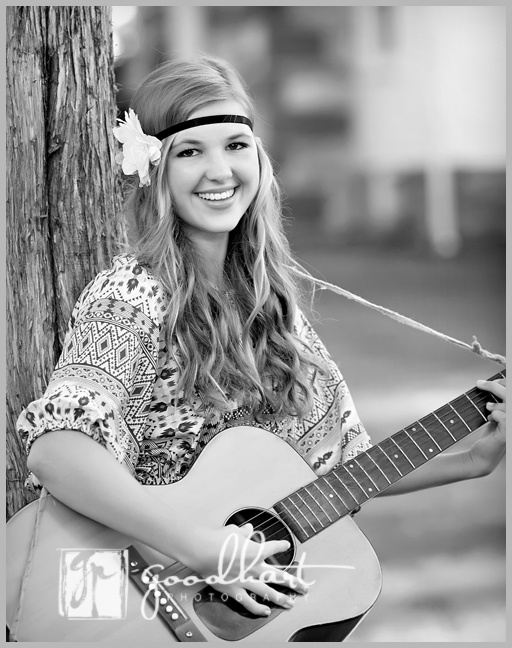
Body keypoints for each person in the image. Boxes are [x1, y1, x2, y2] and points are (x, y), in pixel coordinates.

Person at [17, 55, 506, 620]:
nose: (220, 171)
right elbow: (58, 450)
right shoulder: (132, 295)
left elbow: (335, 469)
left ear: (258, 157)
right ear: (152, 169)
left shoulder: (271, 310)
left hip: (220, 611)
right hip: (116, 598)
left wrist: (473, 459)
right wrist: (205, 549)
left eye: (235, 145)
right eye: (190, 151)